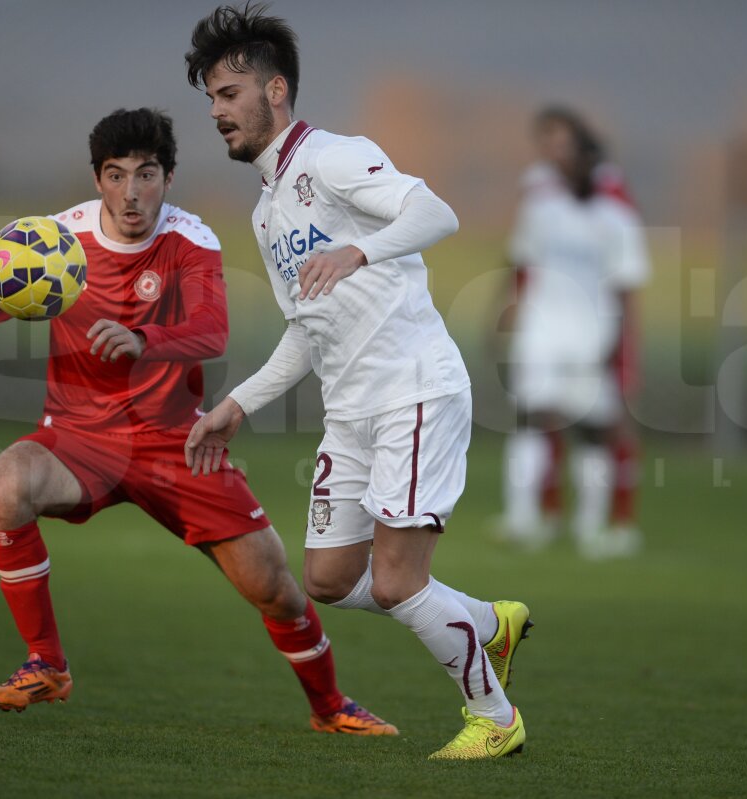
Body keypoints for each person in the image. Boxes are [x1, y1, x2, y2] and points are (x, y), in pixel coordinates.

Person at [0, 107, 395, 735]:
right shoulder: (57, 244)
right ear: (97, 179)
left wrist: (144, 339)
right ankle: (46, 664)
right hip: (77, 440)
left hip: (176, 445)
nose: (131, 192)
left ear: (168, 178)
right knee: (4, 486)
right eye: (116, 175)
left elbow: (210, 332)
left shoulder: (190, 241)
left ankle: (330, 707)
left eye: (146, 174)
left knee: (274, 586)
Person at [181, 5, 531, 760]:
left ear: (276, 90)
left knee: (401, 582)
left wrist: (359, 252)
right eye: (211, 98)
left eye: (229, 93)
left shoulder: (334, 157)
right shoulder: (268, 212)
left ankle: (495, 717)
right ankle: (484, 623)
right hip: (350, 413)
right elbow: (307, 330)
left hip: (414, 391)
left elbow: (435, 213)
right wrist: (238, 403)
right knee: (331, 579)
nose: (216, 111)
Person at [498, 107, 651, 559]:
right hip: (541, 332)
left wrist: (621, 342)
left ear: (595, 163)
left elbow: (627, 285)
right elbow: (519, 264)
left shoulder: (617, 219)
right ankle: (523, 519)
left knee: (593, 431)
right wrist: (505, 316)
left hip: (591, 338)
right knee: (531, 420)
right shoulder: (542, 209)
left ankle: (591, 528)